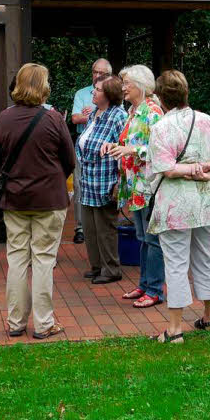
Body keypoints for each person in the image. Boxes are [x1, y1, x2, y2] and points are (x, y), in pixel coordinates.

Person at [147, 70, 210, 343]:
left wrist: (194, 168)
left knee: (175, 262)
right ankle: (209, 319)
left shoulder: (161, 127)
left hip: (177, 205)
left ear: (161, 98)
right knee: (206, 256)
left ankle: (174, 329)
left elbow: (165, 168)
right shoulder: (206, 120)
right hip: (209, 200)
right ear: (186, 93)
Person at [0, 63, 75, 339]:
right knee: (43, 260)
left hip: (15, 198)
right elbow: (69, 160)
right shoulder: (53, 119)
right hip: (49, 199)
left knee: (16, 259)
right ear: (43, 86)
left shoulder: (4, 117)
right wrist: (51, 179)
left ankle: (15, 322)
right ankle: (44, 323)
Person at [105, 65, 166, 308]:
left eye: (127, 82)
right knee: (142, 237)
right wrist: (113, 146)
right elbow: (128, 142)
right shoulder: (133, 110)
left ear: (141, 85)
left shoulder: (153, 112)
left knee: (152, 239)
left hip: (148, 185)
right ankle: (144, 284)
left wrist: (132, 150)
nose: (123, 87)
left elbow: (160, 150)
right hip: (134, 186)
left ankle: (155, 290)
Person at [76, 74, 128, 284]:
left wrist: (119, 181)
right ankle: (97, 266)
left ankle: (111, 269)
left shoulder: (118, 116)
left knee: (106, 228)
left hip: (106, 182)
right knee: (90, 228)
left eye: (97, 90)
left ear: (109, 94)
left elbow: (124, 149)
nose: (93, 93)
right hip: (88, 181)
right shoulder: (94, 114)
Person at [70, 58, 114, 243]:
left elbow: (115, 117)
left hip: (106, 150)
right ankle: (81, 227)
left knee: (104, 185)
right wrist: (91, 116)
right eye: (94, 72)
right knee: (80, 185)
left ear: (109, 75)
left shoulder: (115, 93)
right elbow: (74, 118)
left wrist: (89, 115)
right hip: (83, 149)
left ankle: (102, 226)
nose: (97, 76)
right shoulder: (82, 93)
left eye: (101, 73)